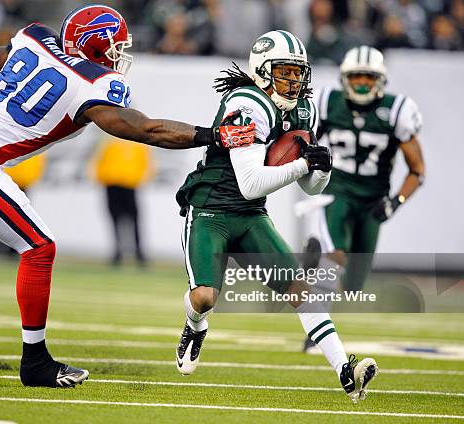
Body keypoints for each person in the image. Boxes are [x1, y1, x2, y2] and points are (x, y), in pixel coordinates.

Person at [0, 4, 256, 388]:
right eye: (115, 48)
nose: (118, 57)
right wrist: (211, 135)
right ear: (96, 46)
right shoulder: (95, 83)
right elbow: (145, 129)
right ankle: (35, 360)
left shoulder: (36, 39)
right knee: (39, 248)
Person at [174, 30, 377, 403]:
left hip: (251, 215)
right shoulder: (245, 102)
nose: (294, 80)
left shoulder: (304, 109)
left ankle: (345, 373)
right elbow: (252, 182)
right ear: (262, 70)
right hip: (211, 208)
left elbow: (310, 188)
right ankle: (194, 327)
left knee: (301, 291)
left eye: (299, 72)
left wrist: (321, 170)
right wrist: (302, 163)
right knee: (204, 298)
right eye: (284, 71)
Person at [302, 45, 424, 351]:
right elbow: (304, 141)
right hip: (337, 192)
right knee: (336, 257)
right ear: (344, 77)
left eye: (368, 77)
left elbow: (417, 170)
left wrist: (396, 202)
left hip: (372, 201)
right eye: (355, 76)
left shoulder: (397, 111)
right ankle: (316, 330)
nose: (361, 83)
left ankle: (316, 270)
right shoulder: (328, 102)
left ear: (380, 80)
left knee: (354, 285)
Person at [92, 135, 154, 266]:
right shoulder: (111, 144)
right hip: (112, 184)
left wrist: (136, 178)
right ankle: (118, 252)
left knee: (133, 219)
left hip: (128, 184)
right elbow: (100, 162)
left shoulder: (136, 145)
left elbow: (146, 164)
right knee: (115, 218)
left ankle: (138, 252)